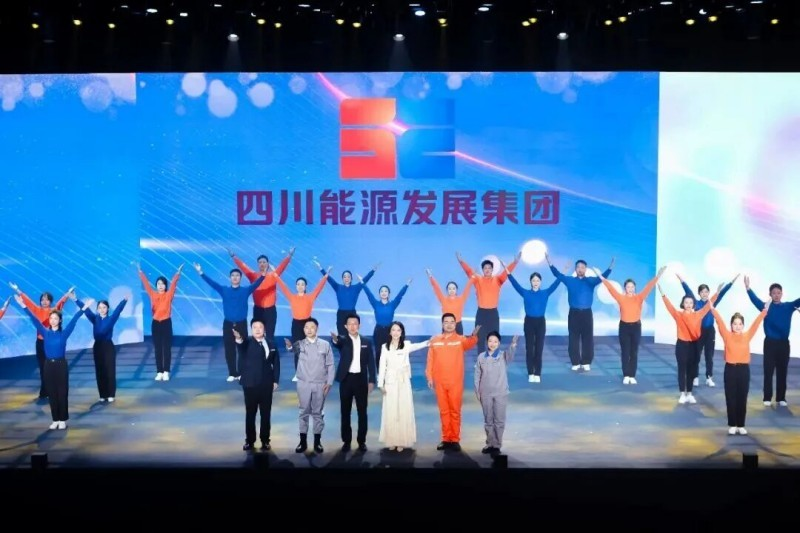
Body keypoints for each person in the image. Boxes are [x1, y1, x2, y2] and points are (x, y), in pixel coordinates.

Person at [15, 294, 93, 430]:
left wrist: (84, 308)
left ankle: (63, 419)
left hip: (60, 365)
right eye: (51, 318)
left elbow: (74, 320)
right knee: (51, 393)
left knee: (62, 392)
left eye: (55, 318)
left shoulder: (64, 333)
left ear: (60, 320)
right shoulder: (45, 332)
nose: (52, 320)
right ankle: (55, 419)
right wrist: (23, 305)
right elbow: (34, 319)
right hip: (48, 366)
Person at [194, 262, 268, 382]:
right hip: (228, 324)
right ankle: (232, 373)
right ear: (230, 278)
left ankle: (242, 373)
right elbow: (212, 283)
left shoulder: (245, 290)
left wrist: (263, 276)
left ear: (240, 278)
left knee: (242, 349)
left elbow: (256, 284)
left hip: (241, 324)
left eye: (237, 275)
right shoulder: (224, 290)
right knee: (229, 350)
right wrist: (201, 272)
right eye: (233, 275)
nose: (235, 277)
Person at [595, 265, 666, 384]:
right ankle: (626, 375)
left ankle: (632, 375)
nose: (630, 288)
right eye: (628, 287)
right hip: (624, 327)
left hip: (636, 327)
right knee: (625, 351)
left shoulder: (639, 297)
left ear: (635, 288)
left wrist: (658, 276)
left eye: (632, 286)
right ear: (625, 288)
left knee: (634, 352)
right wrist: (601, 277)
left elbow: (648, 287)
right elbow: (610, 288)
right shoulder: (621, 298)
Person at [546, 253, 614, 372]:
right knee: (573, 338)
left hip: (587, 313)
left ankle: (586, 361)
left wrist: (610, 267)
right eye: (578, 267)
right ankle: (575, 362)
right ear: (575, 269)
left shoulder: (591, 281)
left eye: (582, 267)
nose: (580, 269)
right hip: (574, 313)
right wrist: (550, 263)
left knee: (588, 338)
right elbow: (558, 275)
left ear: (585, 269)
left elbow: (602, 278)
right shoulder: (570, 280)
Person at [709, 300, 768, 435]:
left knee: (742, 397)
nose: (737, 326)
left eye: (740, 324)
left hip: (743, 370)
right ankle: (732, 424)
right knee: (730, 397)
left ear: (743, 325)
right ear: (731, 325)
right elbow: (719, 322)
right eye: (735, 324)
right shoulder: (727, 335)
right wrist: (713, 309)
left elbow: (756, 323)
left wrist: (764, 311)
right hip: (730, 370)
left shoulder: (747, 335)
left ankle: (741, 424)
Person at [658, 283, 720, 404]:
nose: (688, 305)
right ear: (683, 304)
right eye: (686, 302)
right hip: (682, 345)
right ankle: (682, 394)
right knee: (682, 369)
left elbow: (708, 305)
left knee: (691, 370)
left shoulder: (698, 314)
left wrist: (717, 293)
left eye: (691, 303)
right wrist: (663, 294)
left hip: (694, 346)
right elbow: (669, 307)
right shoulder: (678, 315)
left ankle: (690, 393)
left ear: (694, 304)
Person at [426, 313, 480, 451]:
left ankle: (454, 439)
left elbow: (470, 343)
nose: (449, 324)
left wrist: (474, 335)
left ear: (455, 324)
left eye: (452, 322)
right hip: (439, 382)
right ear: (442, 324)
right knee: (444, 411)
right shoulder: (435, 340)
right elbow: (430, 360)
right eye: (446, 322)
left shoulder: (460, 340)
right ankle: (446, 439)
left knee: (455, 411)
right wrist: (429, 377)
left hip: (455, 382)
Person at [8, 282, 71, 398]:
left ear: (50, 301)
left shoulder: (53, 310)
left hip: (50, 343)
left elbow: (61, 303)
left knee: (51, 368)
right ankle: (44, 391)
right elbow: (27, 302)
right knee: (43, 368)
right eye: (42, 299)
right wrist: (18, 290)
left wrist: (67, 294)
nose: (44, 301)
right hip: (40, 343)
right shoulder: (36, 310)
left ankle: (53, 390)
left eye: (47, 300)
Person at [744, 276, 800, 407]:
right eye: (774, 293)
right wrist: (748, 288)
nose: (776, 295)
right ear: (770, 294)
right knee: (768, 371)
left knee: (782, 371)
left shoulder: (789, 306)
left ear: (782, 294)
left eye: (778, 293)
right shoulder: (766, 307)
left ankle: (781, 398)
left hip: (784, 344)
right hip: (770, 343)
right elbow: (755, 300)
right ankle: (767, 397)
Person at [677, 272, 738, 387]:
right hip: (699, 333)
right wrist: (681, 280)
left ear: (709, 293)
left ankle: (709, 377)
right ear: (699, 294)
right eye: (702, 292)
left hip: (710, 332)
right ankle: (695, 377)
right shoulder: (696, 303)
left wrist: (731, 282)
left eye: (706, 292)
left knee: (709, 356)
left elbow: (722, 293)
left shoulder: (712, 302)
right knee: (696, 356)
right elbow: (688, 291)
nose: (704, 294)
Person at [284, 317, 335, 454]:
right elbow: (291, 349)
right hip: (304, 384)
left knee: (318, 413)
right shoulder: (300, 344)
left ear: (316, 328)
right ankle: (303, 442)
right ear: (304, 330)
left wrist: (329, 382)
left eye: (312, 327)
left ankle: (317, 442)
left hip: (320, 384)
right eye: (306, 327)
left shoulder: (325, 345)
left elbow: (330, 365)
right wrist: (289, 346)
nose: (309, 330)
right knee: (303, 412)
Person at [377, 321, 429, 452]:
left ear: (402, 332)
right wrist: (380, 383)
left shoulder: (406, 345)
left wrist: (430, 341)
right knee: (391, 410)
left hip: (404, 381)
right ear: (390, 332)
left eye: (398, 330)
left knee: (403, 410)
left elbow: (418, 346)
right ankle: (391, 440)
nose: (396, 333)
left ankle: (401, 441)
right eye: (393, 330)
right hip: (390, 382)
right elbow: (382, 365)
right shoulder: (385, 347)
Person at [506, 263, 561, 383]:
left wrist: (563, 271)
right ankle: (531, 372)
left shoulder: (545, 293)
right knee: (529, 348)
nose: (535, 282)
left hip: (541, 322)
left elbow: (556, 283)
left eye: (537, 280)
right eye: (533, 280)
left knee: (539, 349)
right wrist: (508, 272)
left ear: (540, 282)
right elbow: (515, 284)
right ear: (530, 282)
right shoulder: (525, 293)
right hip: (529, 322)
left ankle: (537, 373)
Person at [457, 251, 520, 354]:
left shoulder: (498, 279)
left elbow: (506, 273)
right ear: (482, 270)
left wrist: (515, 262)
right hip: (481, 314)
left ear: (492, 270)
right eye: (485, 268)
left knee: (494, 339)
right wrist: (461, 262)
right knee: (479, 339)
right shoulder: (478, 279)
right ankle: (480, 361)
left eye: (489, 268)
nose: (487, 270)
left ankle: (494, 360)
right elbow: (469, 272)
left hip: (493, 314)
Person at [331, 313, 376, 453]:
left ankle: (361, 441)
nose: (352, 326)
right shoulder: (343, 340)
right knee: (345, 412)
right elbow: (337, 343)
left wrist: (372, 380)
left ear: (359, 325)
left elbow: (371, 362)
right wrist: (335, 340)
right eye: (349, 324)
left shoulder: (367, 341)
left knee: (362, 412)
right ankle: (346, 441)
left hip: (361, 380)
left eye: (355, 323)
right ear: (345, 326)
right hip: (346, 379)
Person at [228, 246, 295, 339]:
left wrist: (289, 255)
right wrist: (233, 256)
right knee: (258, 336)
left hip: (270, 311)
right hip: (258, 310)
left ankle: (270, 348)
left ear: (267, 264)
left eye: (264, 262)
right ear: (258, 265)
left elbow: (282, 266)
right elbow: (243, 267)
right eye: (260, 262)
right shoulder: (253, 276)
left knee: (270, 336)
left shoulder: (273, 275)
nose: (262, 264)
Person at [233, 318, 279, 452]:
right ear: (251, 329)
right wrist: (238, 338)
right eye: (255, 327)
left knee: (266, 414)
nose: (258, 330)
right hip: (250, 384)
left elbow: (276, 364)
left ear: (264, 329)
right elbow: (240, 344)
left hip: (266, 384)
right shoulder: (246, 343)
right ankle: (249, 441)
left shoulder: (271, 343)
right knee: (250, 414)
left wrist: (275, 380)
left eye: (260, 327)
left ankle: (265, 441)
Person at [73, 292, 128, 402]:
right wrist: (76, 300)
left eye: (104, 307)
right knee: (100, 370)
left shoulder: (111, 319)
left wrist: (124, 301)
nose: (102, 309)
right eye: (100, 308)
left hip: (108, 346)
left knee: (110, 370)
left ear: (108, 309)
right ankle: (102, 394)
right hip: (97, 346)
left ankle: (111, 394)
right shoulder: (95, 319)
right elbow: (86, 310)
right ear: (97, 309)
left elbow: (118, 310)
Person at [137, 262, 183, 381]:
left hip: (166, 323)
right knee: (157, 348)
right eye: (158, 284)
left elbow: (174, 284)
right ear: (156, 285)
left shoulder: (169, 295)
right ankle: (159, 371)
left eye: (162, 284)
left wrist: (178, 273)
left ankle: (166, 371)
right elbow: (146, 284)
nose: (160, 286)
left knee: (166, 348)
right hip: (156, 324)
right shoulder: (152, 294)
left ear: (165, 285)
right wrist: (140, 272)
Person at [474, 332, 517, 456]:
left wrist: (513, 345)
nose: (492, 344)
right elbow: (477, 375)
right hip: (485, 393)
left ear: (499, 343)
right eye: (490, 341)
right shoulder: (481, 357)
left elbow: (510, 356)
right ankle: (490, 444)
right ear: (487, 342)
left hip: (501, 393)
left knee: (499, 420)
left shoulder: (503, 356)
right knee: (488, 420)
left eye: (495, 341)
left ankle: (497, 445)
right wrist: (477, 391)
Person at [314, 260, 377, 336]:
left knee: (352, 335)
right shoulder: (338, 287)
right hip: (341, 314)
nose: (346, 278)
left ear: (351, 278)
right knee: (342, 336)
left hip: (352, 314)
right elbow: (329, 279)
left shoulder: (356, 288)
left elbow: (365, 280)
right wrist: (320, 268)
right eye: (344, 277)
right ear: (342, 278)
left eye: (348, 276)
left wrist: (373, 270)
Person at [360, 276, 410, 370]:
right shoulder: (375, 303)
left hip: (389, 331)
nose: (384, 293)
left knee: (390, 351)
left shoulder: (392, 304)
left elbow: (400, 296)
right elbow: (368, 294)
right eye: (382, 291)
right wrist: (362, 283)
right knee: (378, 352)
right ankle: (380, 372)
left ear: (389, 293)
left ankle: (389, 371)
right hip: (378, 331)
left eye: (386, 291)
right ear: (379, 294)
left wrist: (406, 285)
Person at [425, 269, 474, 335]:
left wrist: (472, 277)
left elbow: (467, 287)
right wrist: (430, 277)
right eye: (449, 288)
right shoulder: (443, 299)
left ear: (456, 290)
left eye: (453, 288)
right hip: (446, 326)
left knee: (459, 342)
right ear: (447, 290)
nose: (451, 290)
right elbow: (436, 288)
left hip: (458, 326)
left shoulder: (461, 299)